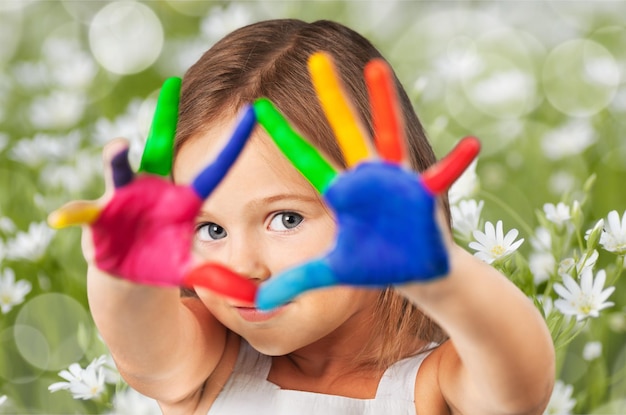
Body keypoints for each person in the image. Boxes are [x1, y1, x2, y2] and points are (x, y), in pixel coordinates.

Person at [53, 19, 555, 414]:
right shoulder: (208, 363)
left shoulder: (435, 384)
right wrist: (124, 273)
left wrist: (440, 275)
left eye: (286, 219)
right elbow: (144, 351)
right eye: (210, 229)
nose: (243, 266)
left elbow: (519, 389)